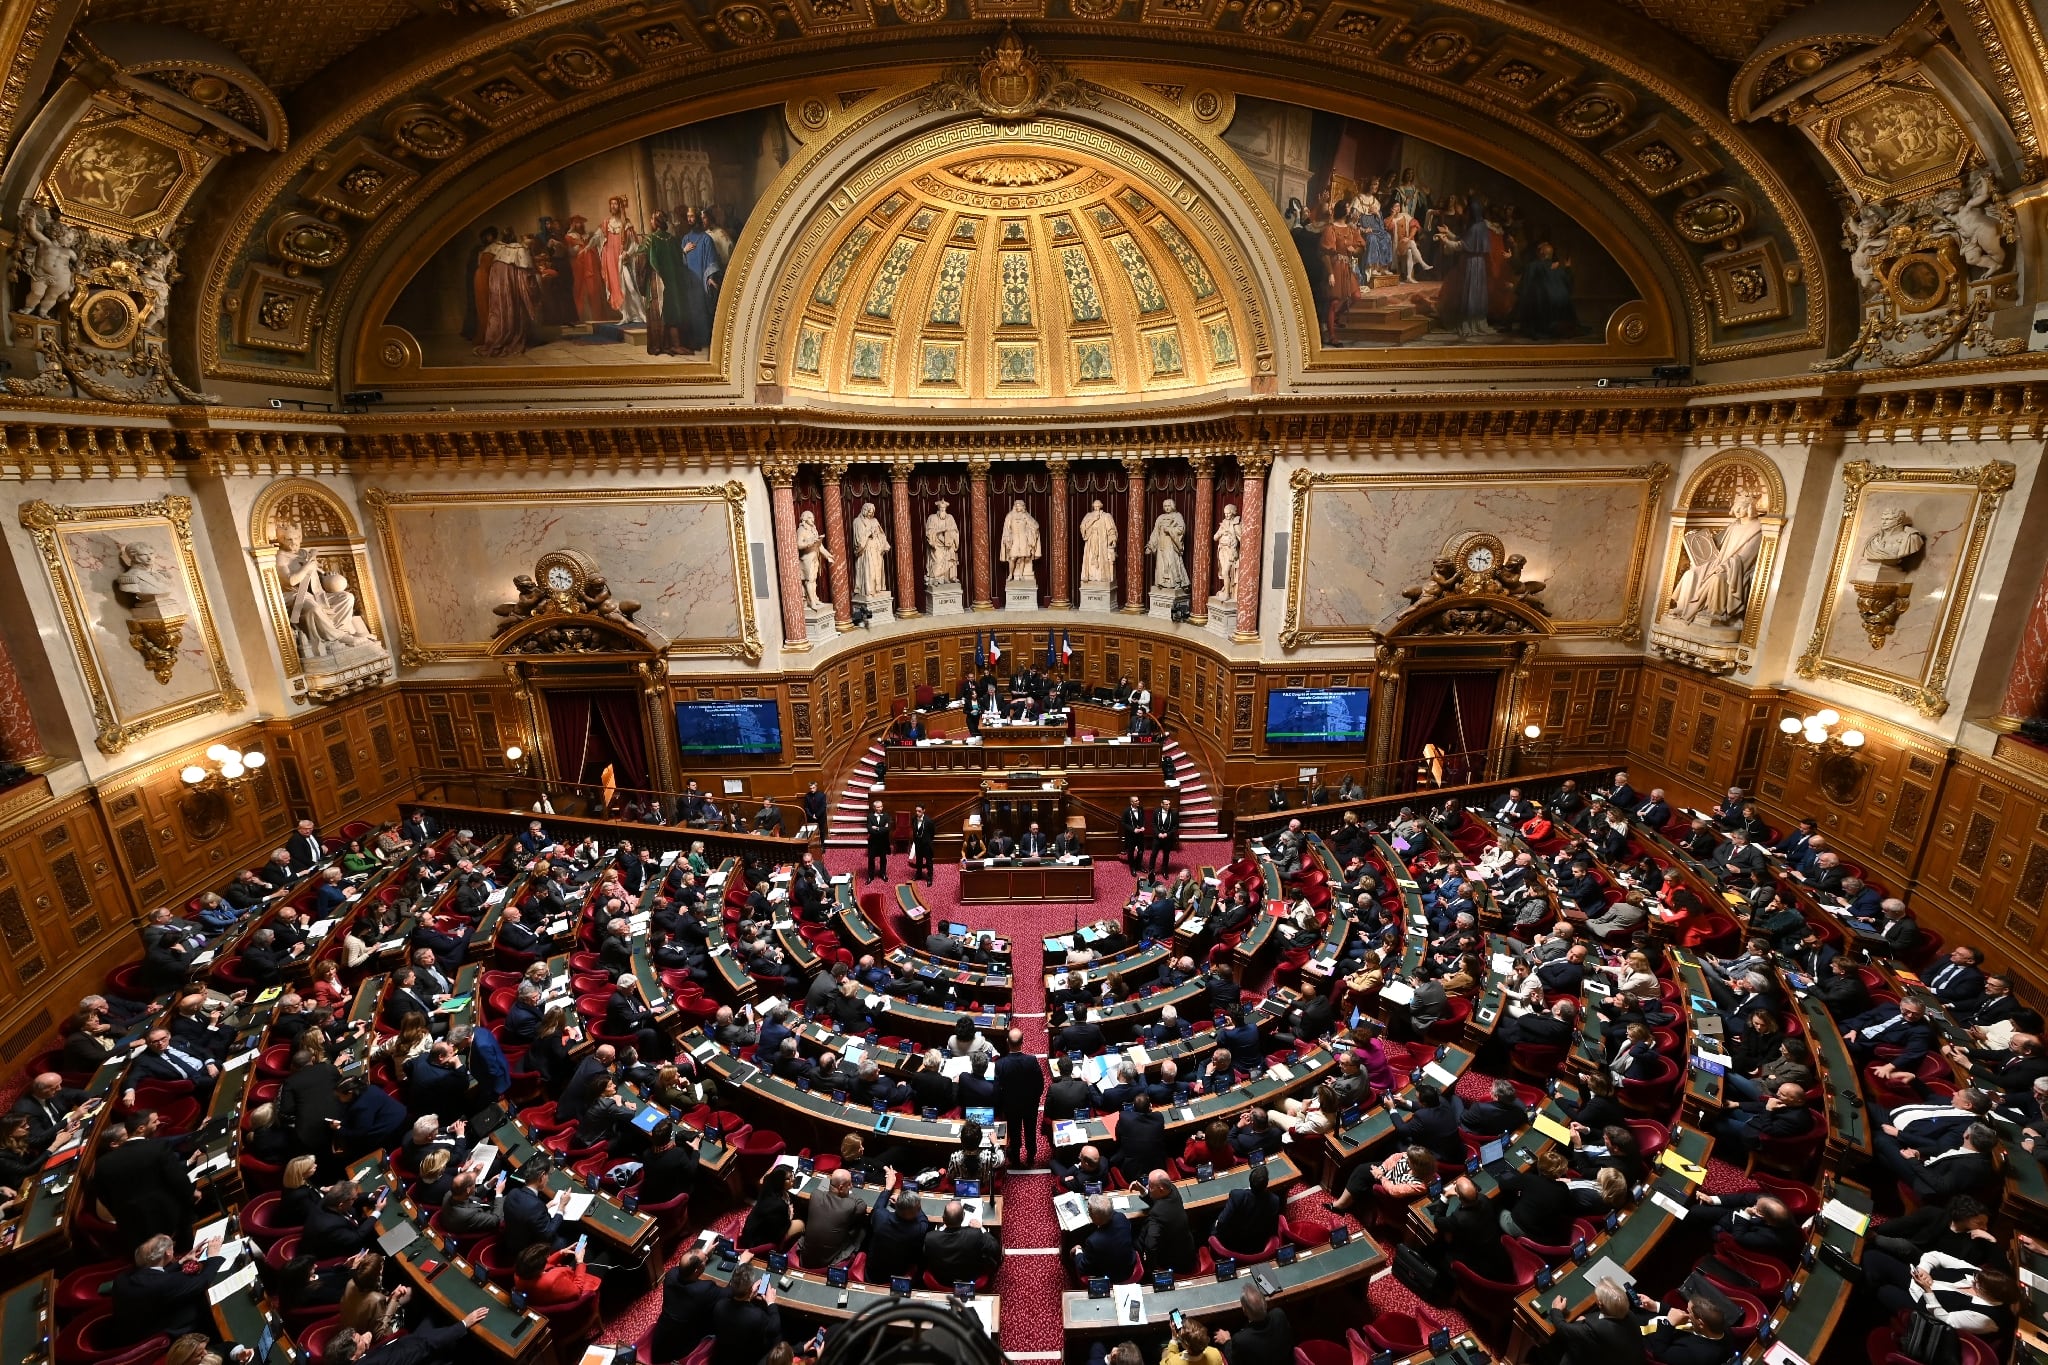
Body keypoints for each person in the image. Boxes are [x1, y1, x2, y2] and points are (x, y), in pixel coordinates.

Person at [93, 1115, 195, 1252]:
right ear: (114, 1144)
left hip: (135, 1229)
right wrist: (190, 1194)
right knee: (187, 1250)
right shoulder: (155, 1147)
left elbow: (106, 1199)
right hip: (171, 1218)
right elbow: (178, 1181)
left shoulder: (101, 1165)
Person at [110, 1233, 226, 1344]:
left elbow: (153, 1277)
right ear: (168, 1253)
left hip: (129, 1326)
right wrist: (213, 1257)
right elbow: (202, 1282)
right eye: (172, 1246)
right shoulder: (163, 1284)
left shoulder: (121, 1278)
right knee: (202, 1302)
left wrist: (182, 1260)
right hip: (152, 1334)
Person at [322, 1307, 491, 1365]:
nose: (362, 1338)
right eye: (358, 1340)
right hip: (422, 1352)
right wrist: (464, 1323)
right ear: (352, 1356)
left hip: (409, 1342)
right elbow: (426, 1344)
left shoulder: (356, 1359)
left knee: (433, 1312)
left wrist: (364, 1344)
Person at [1543, 1279, 1648, 1365]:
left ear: (1599, 1304)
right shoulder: (1630, 1314)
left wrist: (1556, 1310)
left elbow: (1562, 1328)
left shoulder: (1592, 1329)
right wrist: (1585, 1320)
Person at [710, 1266, 782, 1365]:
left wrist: (748, 1296)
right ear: (750, 1290)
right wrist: (771, 1303)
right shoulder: (757, 1315)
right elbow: (774, 1329)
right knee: (778, 1338)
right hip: (746, 1359)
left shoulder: (719, 1305)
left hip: (724, 1353)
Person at [1132, 1168, 1198, 1274]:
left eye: (1150, 1186)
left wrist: (1152, 1269)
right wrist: (1143, 1191)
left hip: (1175, 1263)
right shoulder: (1173, 1190)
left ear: (1161, 1189)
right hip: (1187, 1250)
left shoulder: (1157, 1214)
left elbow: (1150, 1246)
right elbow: (1159, 1201)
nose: (1148, 1187)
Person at [1212, 1161, 1283, 1256]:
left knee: (1212, 1224)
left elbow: (1222, 1222)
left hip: (1233, 1245)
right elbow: (1273, 1230)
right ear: (1266, 1184)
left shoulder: (1237, 1196)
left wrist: (1217, 1223)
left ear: (1250, 1181)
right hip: (1258, 1246)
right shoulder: (1275, 1200)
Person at [925, 1198, 1001, 1284]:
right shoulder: (975, 1235)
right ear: (963, 1217)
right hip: (970, 1278)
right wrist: (981, 1228)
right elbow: (995, 1248)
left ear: (943, 1218)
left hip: (942, 1279)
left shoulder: (930, 1238)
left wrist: (941, 1229)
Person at [1072, 1194, 1136, 1280]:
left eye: (1089, 1211)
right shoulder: (1121, 1217)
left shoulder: (1093, 1241)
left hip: (1113, 1276)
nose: (1089, 1213)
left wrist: (1078, 1251)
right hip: (1129, 1265)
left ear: (1094, 1217)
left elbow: (1082, 1267)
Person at [740, 1164, 804, 1249]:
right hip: (760, 1241)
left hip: (757, 1229)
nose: (793, 1179)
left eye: (792, 1175)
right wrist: (790, 1216)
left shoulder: (770, 1190)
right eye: (788, 1178)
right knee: (801, 1224)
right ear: (780, 1182)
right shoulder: (778, 1205)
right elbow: (778, 1232)